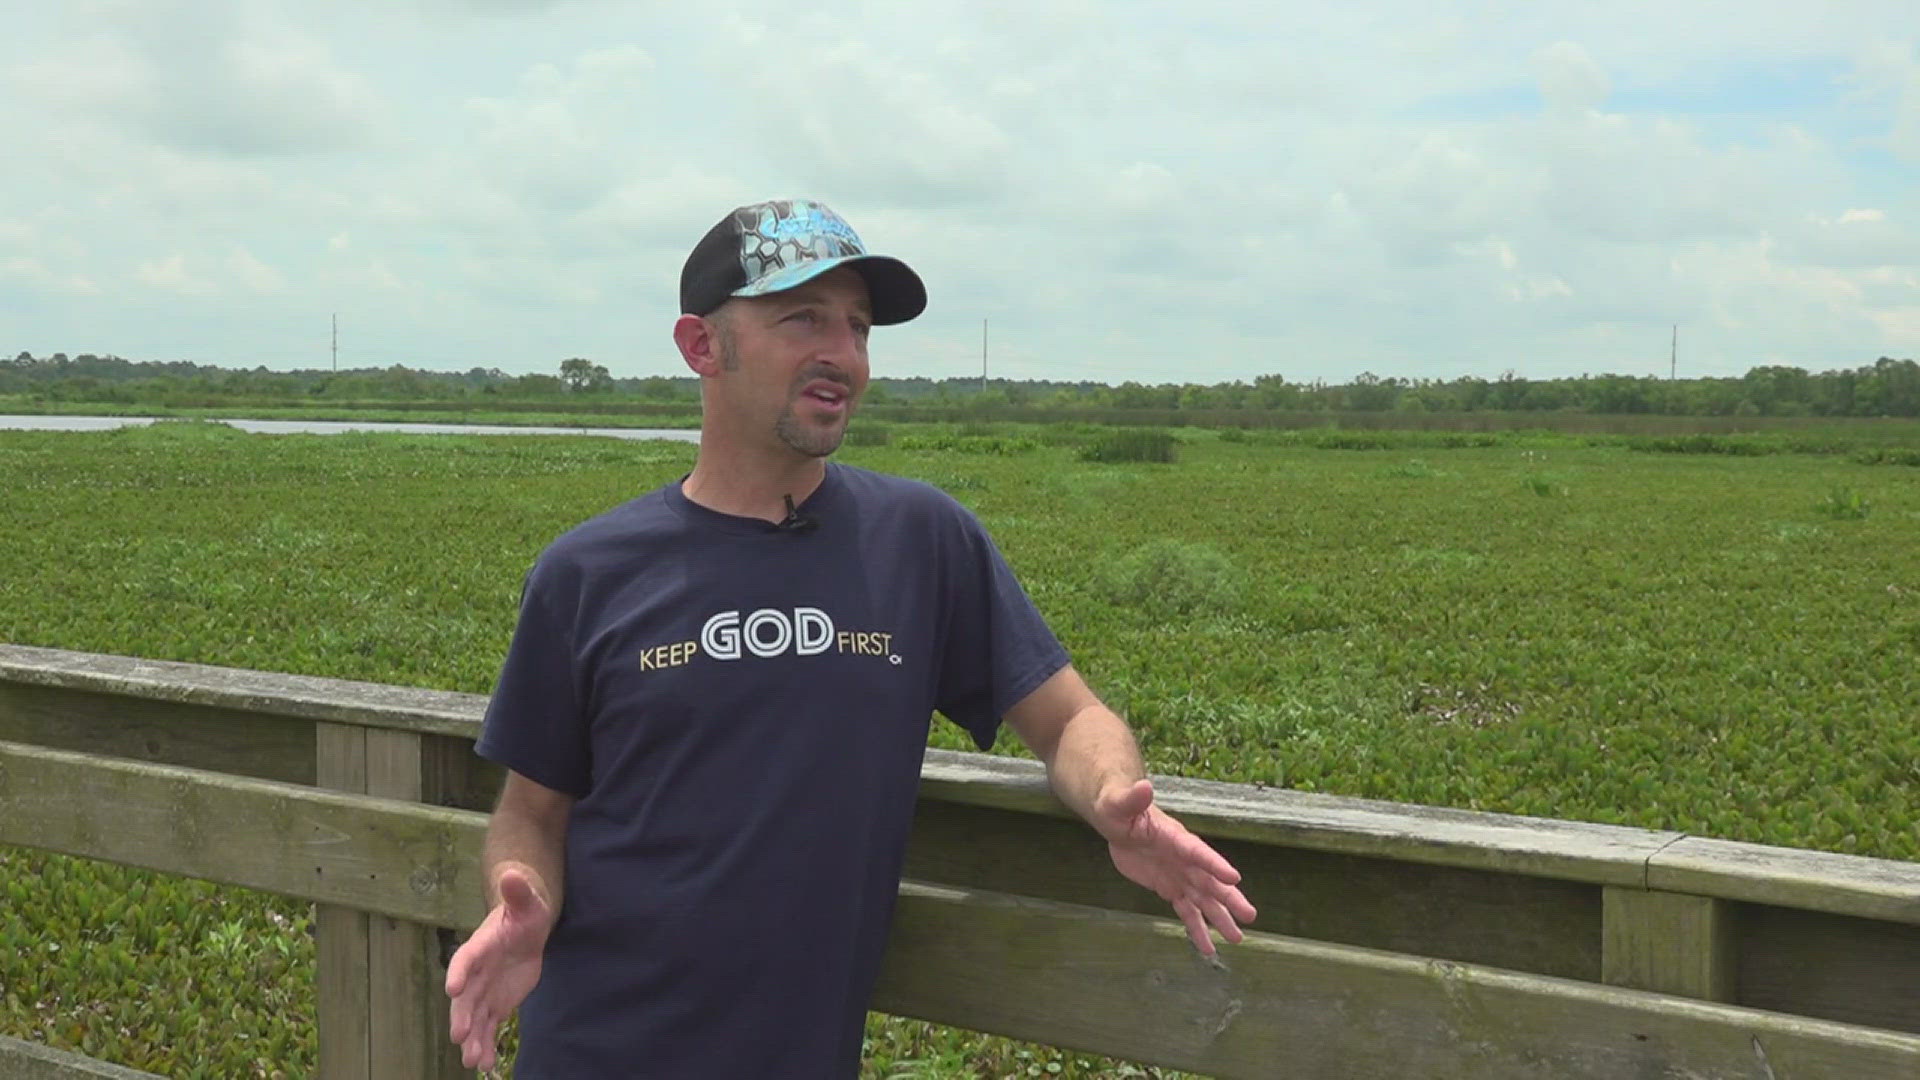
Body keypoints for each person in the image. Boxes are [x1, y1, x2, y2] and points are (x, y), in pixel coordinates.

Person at [444, 198, 1258, 1077]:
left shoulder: (921, 541)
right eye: (803, 318)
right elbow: (531, 813)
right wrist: (516, 902)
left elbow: (1067, 720)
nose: (844, 354)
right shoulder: (587, 573)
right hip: (596, 1050)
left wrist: (1113, 798)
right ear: (700, 346)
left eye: (859, 326)